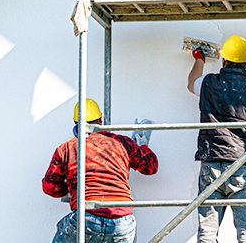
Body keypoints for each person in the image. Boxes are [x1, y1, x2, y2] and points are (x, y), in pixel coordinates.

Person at [187, 35, 246, 243]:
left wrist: (199, 59)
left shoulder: (208, 84)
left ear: (224, 60)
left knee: (207, 231)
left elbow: (191, 84)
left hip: (211, 164)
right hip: (241, 165)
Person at [42, 98, 159, 243]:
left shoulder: (67, 148)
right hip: (122, 222)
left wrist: (71, 189)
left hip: (87, 219)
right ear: (100, 121)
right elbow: (151, 167)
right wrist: (142, 146)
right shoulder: (122, 142)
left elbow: (50, 187)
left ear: (76, 123)